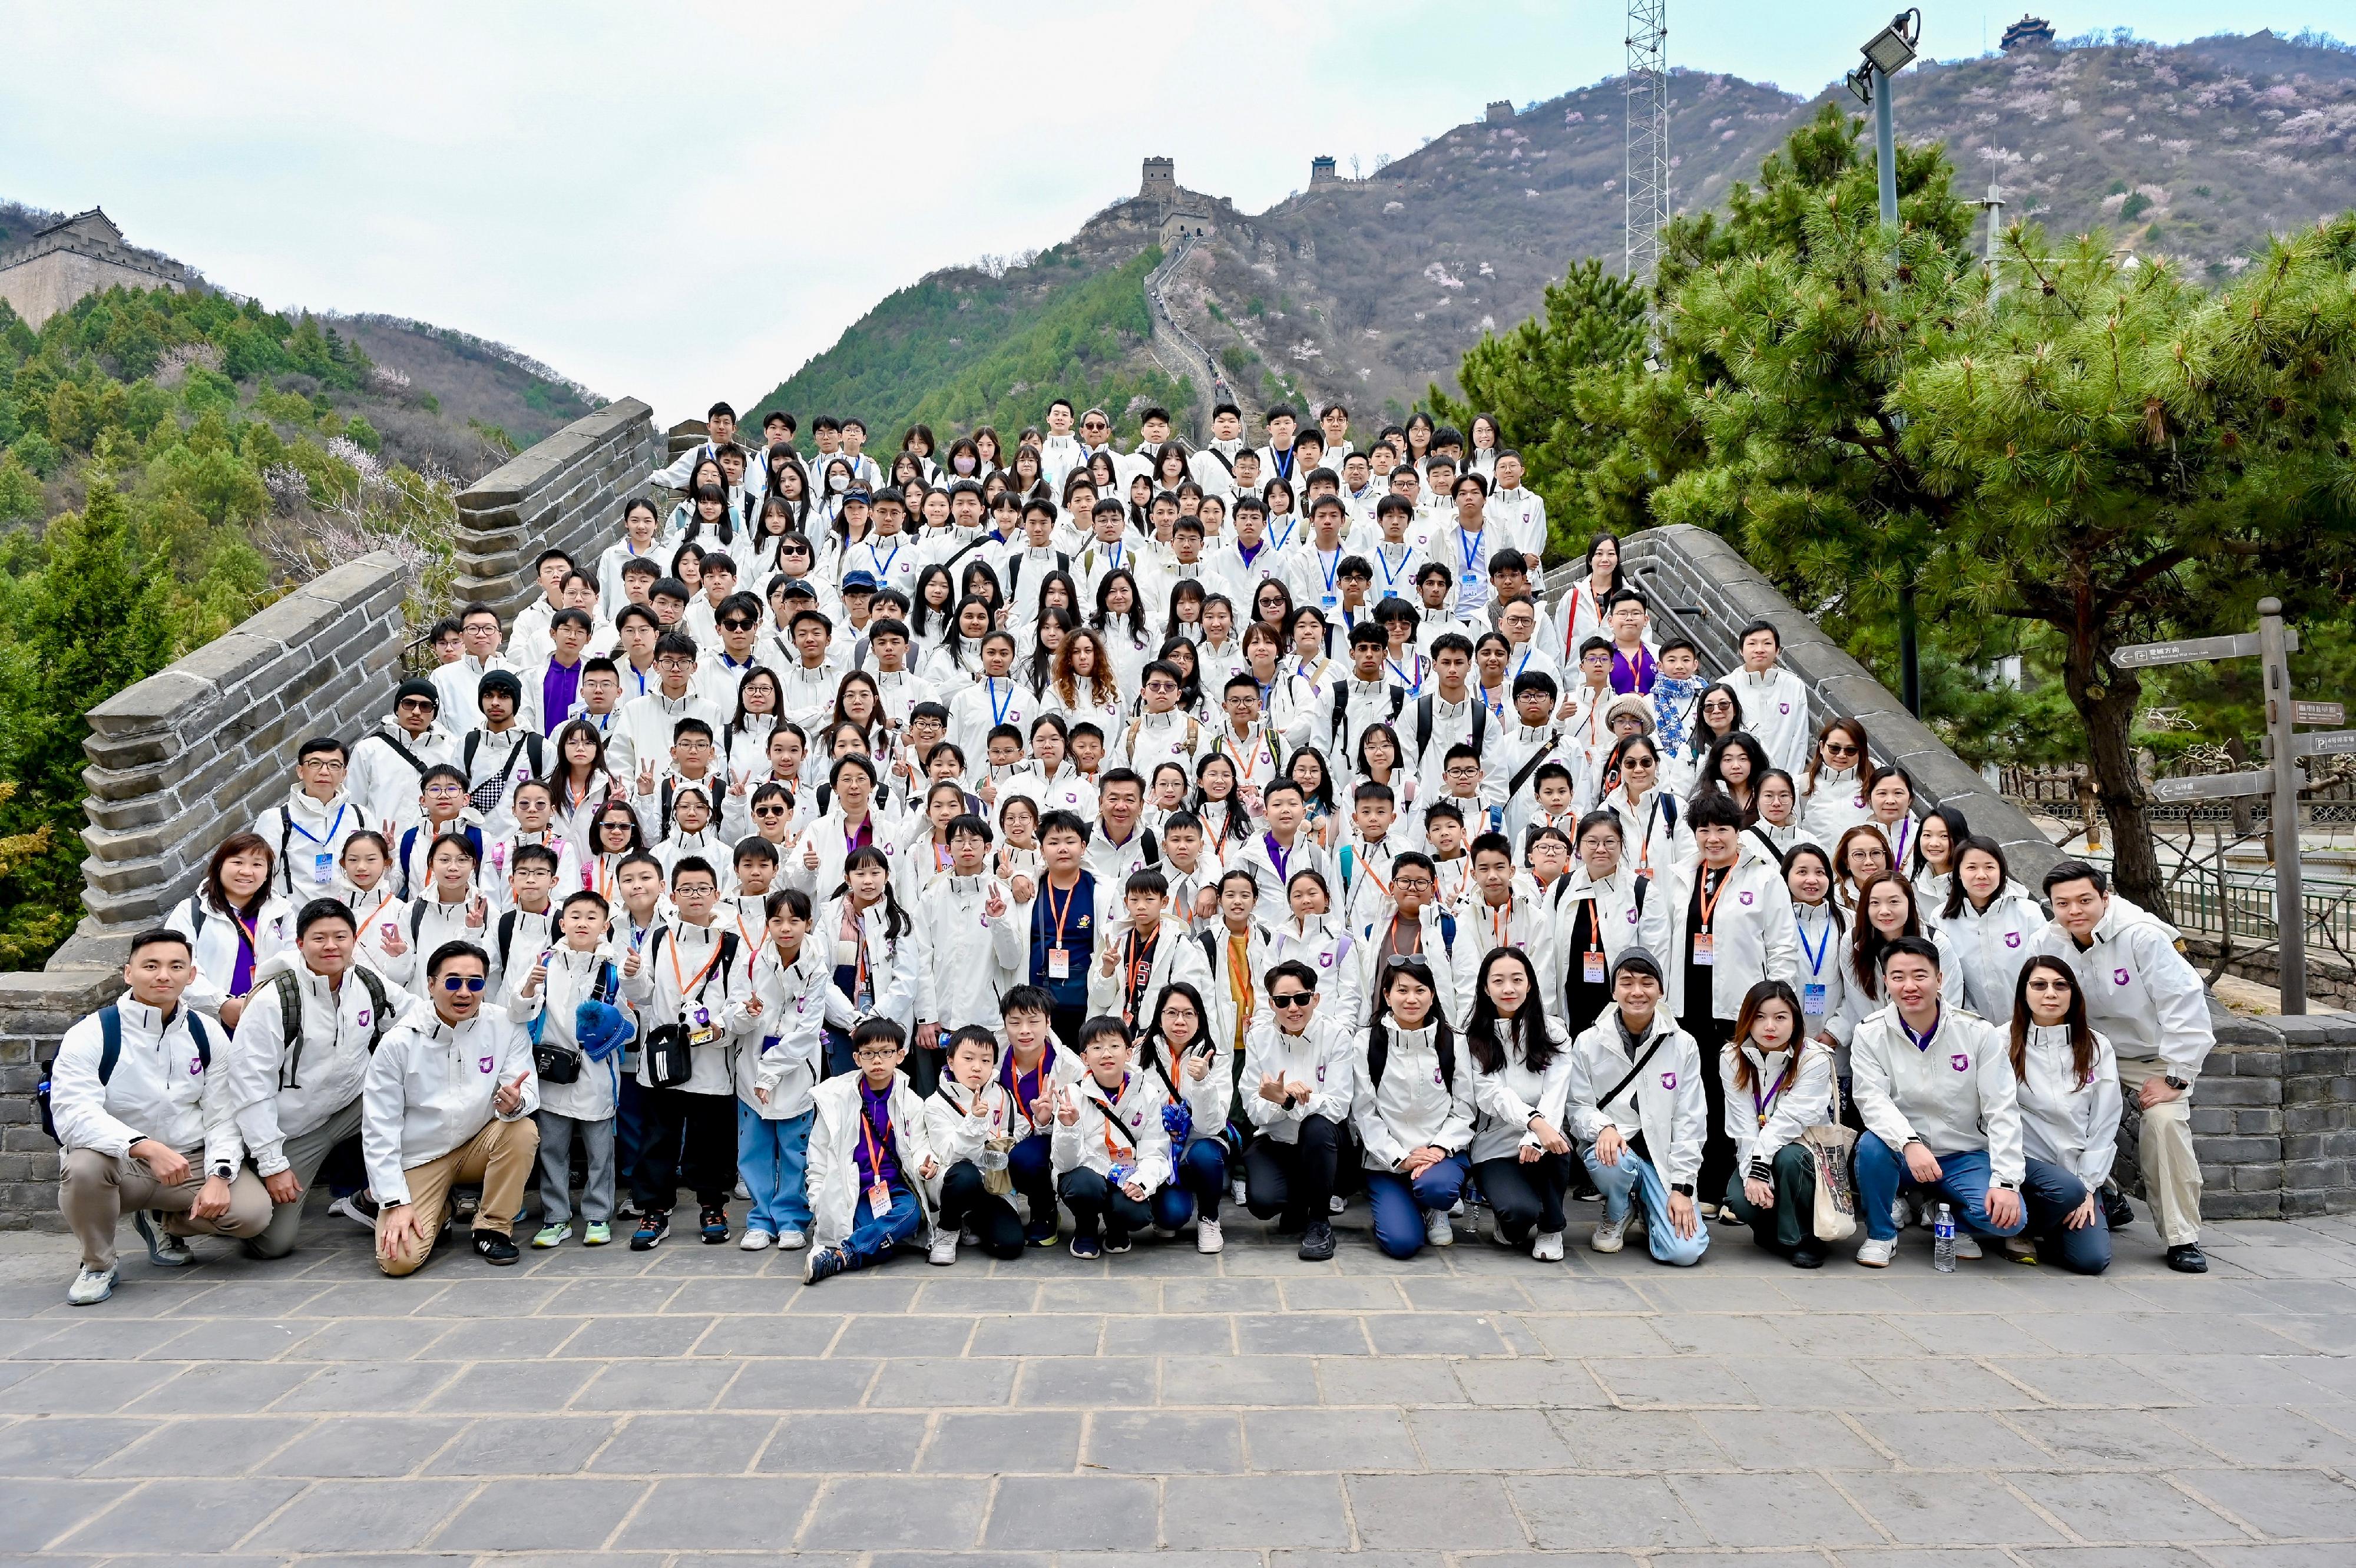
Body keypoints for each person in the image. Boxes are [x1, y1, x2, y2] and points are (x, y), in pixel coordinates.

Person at [50, 929, 272, 1305]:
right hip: (123, 1164)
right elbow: (73, 1114)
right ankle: (98, 1264)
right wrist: (143, 1146)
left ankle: (166, 1222)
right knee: (83, 1167)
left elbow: (223, 1114)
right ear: (128, 973)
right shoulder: (92, 1033)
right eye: (150, 966)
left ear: (191, 975)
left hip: (190, 1161)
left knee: (252, 1215)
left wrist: (220, 1174)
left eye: (175, 966)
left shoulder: (207, 1032)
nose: (163, 976)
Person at [2033, 859, 2214, 1272]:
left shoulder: (2142, 936)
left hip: (2153, 1055)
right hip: (2090, 1052)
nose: (2074, 911)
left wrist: (2176, 1077)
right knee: (2057, 1112)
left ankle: (2182, 1236)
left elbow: (2185, 1004)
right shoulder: (2046, 941)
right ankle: (2106, 1195)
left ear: (2105, 897)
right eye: (2063, 904)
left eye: (2084, 900)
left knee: (2165, 1125)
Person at [1636, 790, 1798, 1213]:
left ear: (1738, 831)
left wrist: (1778, 1012)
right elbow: (1659, 940)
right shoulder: (1677, 875)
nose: (1712, 838)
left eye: (1722, 828)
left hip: (1740, 1011)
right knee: (1693, 1098)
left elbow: (1782, 948)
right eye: (1703, 829)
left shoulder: (1764, 876)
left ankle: (1732, 1188)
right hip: (1686, 1008)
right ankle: (1695, 1186)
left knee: (1737, 1099)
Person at [226, 899, 408, 1259]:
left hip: (351, 1106)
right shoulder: (275, 998)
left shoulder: (368, 983)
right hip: (292, 1130)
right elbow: (250, 1087)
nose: (331, 946)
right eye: (319, 938)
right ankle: (235, 1183)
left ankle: (373, 1199)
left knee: (418, 1095)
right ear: (300, 943)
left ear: (354, 940)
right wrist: (272, 1163)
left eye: (341, 936)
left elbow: (417, 1021)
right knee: (272, 1244)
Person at [362, 940, 541, 1275]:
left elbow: (527, 1086)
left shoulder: (505, 1024)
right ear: (431, 984)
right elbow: (379, 1128)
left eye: (475, 983)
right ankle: (439, 1209)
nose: (464, 993)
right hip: (420, 1157)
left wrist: (517, 1103)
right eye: (452, 981)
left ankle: (492, 1227)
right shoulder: (399, 1041)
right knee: (398, 1261)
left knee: (522, 1129)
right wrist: (395, 1201)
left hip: (477, 1144)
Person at [1848, 936, 2026, 1268]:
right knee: (1871, 1145)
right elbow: (1872, 1099)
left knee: (2008, 1220)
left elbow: (2002, 1108)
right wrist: (1909, 1142)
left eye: (1920, 975)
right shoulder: (1870, 1033)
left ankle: (1942, 1213)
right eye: (1898, 977)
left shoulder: (1977, 1032)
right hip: (1903, 1153)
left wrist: (2006, 1182)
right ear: (1886, 981)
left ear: (1939, 979)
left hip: (1963, 1153)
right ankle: (1882, 1235)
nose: (1909, 986)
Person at [620, 857, 754, 1249]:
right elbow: (643, 995)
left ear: (716, 894)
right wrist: (631, 974)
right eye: (687, 889)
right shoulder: (659, 939)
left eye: (703, 888)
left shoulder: (732, 945)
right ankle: (654, 1211)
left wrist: (721, 1027)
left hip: (711, 1056)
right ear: (672, 895)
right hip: (664, 1058)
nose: (695, 896)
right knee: (657, 1137)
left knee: (708, 1139)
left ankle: (713, 1205)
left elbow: (743, 1003)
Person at [1566, 949, 1709, 1265]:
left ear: (1661, 990)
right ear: (1614, 990)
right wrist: (1603, 1126)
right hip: (1615, 1152)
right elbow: (1577, 1107)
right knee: (1613, 1160)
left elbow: (1691, 1118)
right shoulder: (1589, 1042)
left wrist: (1683, 1187)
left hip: (1662, 1158)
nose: (1637, 992)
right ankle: (1618, 1209)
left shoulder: (1682, 1043)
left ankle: (1649, 1206)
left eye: (1647, 982)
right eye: (1627, 982)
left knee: (1683, 1253)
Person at [512, 889, 630, 1249]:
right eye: (575, 916)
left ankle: (597, 1216)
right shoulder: (543, 963)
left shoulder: (614, 969)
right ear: (562, 923)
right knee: (551, 1150)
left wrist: (606, 1036)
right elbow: (517, 1014)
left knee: (600, 1153)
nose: (583, 923)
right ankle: (556, 1218)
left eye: (592, 917)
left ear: (605, 926)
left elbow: (629, 1024)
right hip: (553, 1074)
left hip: (596, 1075)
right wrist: (529, 987)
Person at [1350, 954, 1476, 1259]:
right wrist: (1401, 1159)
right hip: (1388, 1162)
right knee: (1402, 1244)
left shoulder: (1453, 1041)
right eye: (1402, 990)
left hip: (1440, 1158)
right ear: (1386, 995)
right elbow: (1364, 1114)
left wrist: (1439, 1149)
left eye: (1420, 990)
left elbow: (1465, 1109)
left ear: (1432, 995)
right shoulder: (1366, 1043)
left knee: (1437, 1189)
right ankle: (1408, 1201)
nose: (1411, 999)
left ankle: (1434, 1207)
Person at [802, 1017, 941, 1283]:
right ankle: (860, 1247)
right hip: (852, 1189)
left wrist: (926, 1162)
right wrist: (818, 1198)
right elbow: (817, 1154)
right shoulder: (835, 1100)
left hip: (892, 1188)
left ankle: (840, 1258)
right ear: (857, 1058)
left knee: (911, 1212)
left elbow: (921, 1144)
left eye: (886, 1052)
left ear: (900, 1056)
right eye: (869, 1054)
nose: (877, 1061)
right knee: (880, 1240)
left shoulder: (910, 1101)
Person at [2007, 957, 2120, 1275]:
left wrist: (2087, 1187)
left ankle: (2042, 1221)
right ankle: (2019, 1226)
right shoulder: (2002, 1041)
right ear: (2023, 993)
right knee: (2064, 1191)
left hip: (2077, 1173)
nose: (2050, 994)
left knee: (2091, 1261)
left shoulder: (2097, 1046)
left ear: (2073, 993)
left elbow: (2105, 1120)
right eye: (2039, 986)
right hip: (2024, 1166)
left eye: (2060, 985)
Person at [1716, 980, 1836, 1267]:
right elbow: (1742, 1125)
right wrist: (1754, 1174)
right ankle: (1773, 1232)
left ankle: (1807, 1239)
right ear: (1747, 1019)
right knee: (1739, 1200)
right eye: (1760, 1017)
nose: (1770, 1027)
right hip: (1760, 1148)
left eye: (1780, 1017)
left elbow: (1791, 1120)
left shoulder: (1815, 1059)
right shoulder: (1732, 1057)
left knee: (1790, 1157)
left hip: (1807, 1152)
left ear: (1795, 1021)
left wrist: (1759, 1168)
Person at [1465, 948, 1574, 1261]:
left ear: (1530, 985)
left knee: (1558, 1148)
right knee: (1517, 1216)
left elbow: (1556, 1092)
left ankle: (1552, 1228)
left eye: (1517, 979)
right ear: (1486, 988)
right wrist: (1534, 1124)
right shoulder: (1473, 1036)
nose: (1508, 989)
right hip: (1496, 1144)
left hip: (1545, 1140)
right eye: (1498, 981)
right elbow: (1492, 1094)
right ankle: (1516, 1216)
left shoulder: (1553, 1031)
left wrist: (1537, 1134)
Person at [1241, 959, 1355, 1259]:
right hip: (1277, 1141)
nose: (1293, 1008)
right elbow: (1253, 1110)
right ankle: (1297, 1203)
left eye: (1302, 999)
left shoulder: (1337, 1036)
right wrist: (1282, 1102)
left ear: (1315, 998)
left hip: (1326, 1144)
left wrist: (1290, 1100)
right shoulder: (1258, 1039)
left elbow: (1338, 1106)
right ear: (1271, 1004)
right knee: (1263, 1203)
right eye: (1283, 1001)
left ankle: (1319, 1222)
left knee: (1316, 1126)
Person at [1051, 1015, 1173, 1258]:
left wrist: (1142, 1182)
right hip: (1088, 1174)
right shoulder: (1072, 1095)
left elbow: (1155, 1149)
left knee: (1137, 1214)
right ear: (1085, 1058)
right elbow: (1065, 1163)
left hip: (1128, 1172)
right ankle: (1085, 1228)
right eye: (1097, 1047)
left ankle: (1117, 1226)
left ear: (1128, 1053)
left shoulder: (1146, 1092)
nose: (1106, 1054)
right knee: (1087, 1187)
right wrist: (1069, 1127)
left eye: (1115, 1046)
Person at [925, 1026, 1027, 1263]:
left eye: (986, 1060)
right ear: (951, 1061)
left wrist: (1010, 1140)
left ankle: (971, 1219)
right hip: (955, 1182)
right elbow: (950, 1154)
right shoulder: (936, 1103)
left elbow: (1019, 1128)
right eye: (968, 1058)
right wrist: (975, 1121)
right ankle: (947, 1229)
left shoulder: (1002, 1095)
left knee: (1011, 1246)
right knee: (965, 1175)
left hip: (993, 1186)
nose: (977, 1067)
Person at [253, 738, 364, 899]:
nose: (324, 772)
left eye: (334, 765)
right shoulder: (276, 819)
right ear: (300, 771)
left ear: (344, 774)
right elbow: (259, 877)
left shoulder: (359, 816)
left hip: (350, 919)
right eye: (315, 764)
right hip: (294, 920)